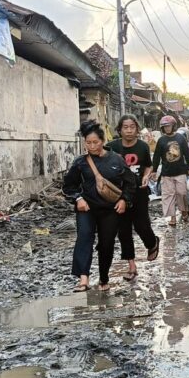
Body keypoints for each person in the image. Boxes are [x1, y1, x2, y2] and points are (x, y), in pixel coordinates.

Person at [63, 120, 136, 292]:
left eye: (95, 142)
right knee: (84, 237)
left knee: (106, 243)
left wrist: (124, 200)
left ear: (103, 142)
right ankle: (83, 280)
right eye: (88, 143)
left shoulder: (117, 160)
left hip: (110, 210)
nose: (92, 146)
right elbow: (68, 186)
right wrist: (78, 199)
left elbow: (130, 183)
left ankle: (104, 277)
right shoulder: (80, 162)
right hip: (87, 209)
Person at [106, 115, 161, 281]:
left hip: (139, 192)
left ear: (137, 129)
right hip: (119, 194)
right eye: (125, 127)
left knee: (142, 226)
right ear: (120, 130)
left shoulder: (143, 146)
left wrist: (146, 176)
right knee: (123, 231)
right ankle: (131, 266)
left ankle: (152, 243)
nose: (129, 130)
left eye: (132, 127)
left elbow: (148, 165)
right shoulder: (112, 147)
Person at [152, 115, 189, 226]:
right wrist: (154, 170)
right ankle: (173, 218)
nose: (167, 128)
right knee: (168, 196)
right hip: (166, 173)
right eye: (164, 127)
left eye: (168, 126)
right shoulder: (161, 140)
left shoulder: (181, 138)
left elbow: (187, 153)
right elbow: (156, 157)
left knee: (182, 193)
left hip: (180, 171)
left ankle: (184, 211)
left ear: (173, 126)